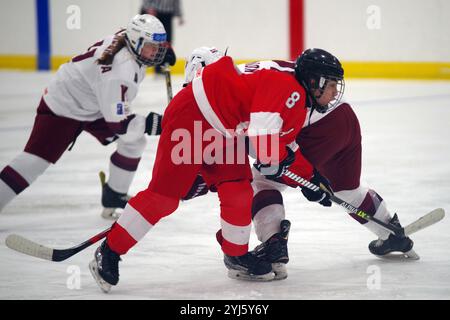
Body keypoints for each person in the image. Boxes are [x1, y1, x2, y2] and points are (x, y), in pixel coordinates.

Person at [88, 50, 336, 292]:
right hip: (193, 117)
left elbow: (281, 145)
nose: (336, 93)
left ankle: (236, 256)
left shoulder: (298, 93)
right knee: (163, 199)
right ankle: (110, 250)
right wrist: (296, 175)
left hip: (226, 129)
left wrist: (311, 178)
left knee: (238, 189)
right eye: (332, 85)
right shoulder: (289, 88)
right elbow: (265, 145)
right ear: (315, 82)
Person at [181, 47, 416, 280]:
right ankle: (391, 232)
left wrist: (196, 177)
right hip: (345, 119)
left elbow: (262, 148)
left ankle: (274, 245)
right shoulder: (242, 74)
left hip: (316, 127)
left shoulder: (224, 93)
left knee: (263, 182)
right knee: (347, 190)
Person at [0, 14, 176, 219]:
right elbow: (120, 124)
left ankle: (114, 195)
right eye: (151, 47)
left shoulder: (127, 38)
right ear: (136, 43)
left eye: (158, 46)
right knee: (34, 162)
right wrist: (150, 123)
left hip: (94, 102)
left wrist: (162, 50)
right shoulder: (119, 73)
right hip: (64, 107)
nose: (156, 52)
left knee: (134, 141)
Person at [141, 0, 184, 74]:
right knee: (152, 39)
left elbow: (176, 1)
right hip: (155, 12)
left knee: (166, 40)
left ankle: (161, 65)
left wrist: (179, 15)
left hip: (167, 14)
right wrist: (148, 7)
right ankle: (148, 63)